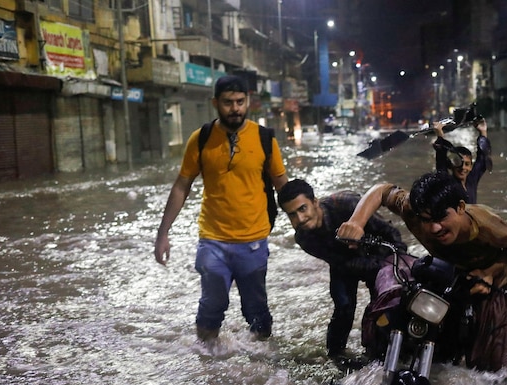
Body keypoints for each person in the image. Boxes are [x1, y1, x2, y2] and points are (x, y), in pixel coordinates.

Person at [336, 171, 507, 372]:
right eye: (425, 219)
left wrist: (489, 272)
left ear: (460, 207)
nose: (434, 228)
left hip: (488, 287)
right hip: (448, 276)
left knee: (494, 371)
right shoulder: (413, 208)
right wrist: (356, 222)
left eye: (441, 217)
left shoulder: (489, 226)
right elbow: (382, 191)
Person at [154, 75, 288, 343]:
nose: (235, 108)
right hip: (212, 240)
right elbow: (182, 186)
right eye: (228, 102)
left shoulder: (264, 139)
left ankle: (263, 366)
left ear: (247, 101)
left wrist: (308, 224)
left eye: (240, 101)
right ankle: (207, 365)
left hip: (253, 240)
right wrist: (163, 233)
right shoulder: (201, 139)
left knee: (257, 311)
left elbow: (283, 185)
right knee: (211, 307)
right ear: (216, 103)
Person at [277, 179, 407, 362]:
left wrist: (395, 269)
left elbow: (393, 235)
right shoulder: (303, 237)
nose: (300, 219)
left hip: (380, 256)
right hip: (344, 264)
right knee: (343, 307)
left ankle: (385, 356)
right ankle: (335, 358)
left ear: (315, 202)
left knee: (384, 309)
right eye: (292, 215)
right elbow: (341, 263)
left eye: (302, 209)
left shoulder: (347, 204)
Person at [433, 117, 492, 204]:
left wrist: (483, 131)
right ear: (451, 165)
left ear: (471, 167)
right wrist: (440, 135)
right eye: (458, 163)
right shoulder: (448, 183)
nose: (463, 167)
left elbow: (482, 158)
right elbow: (441, 163)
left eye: (467, 164)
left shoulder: (471, 180)